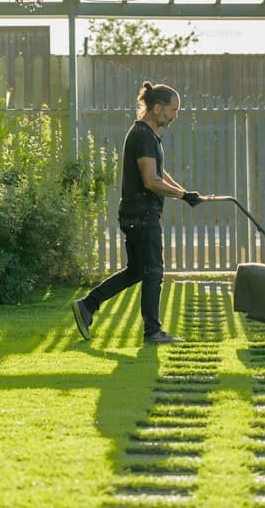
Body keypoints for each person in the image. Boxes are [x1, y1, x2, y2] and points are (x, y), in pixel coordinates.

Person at [72, 81, 203, 343]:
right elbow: (150, 181)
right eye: (173, 110)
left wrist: (185, 193)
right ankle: (152, 331)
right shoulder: (143, 135)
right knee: (153, 271)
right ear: (157, 108)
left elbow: (159, 173)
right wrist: (182, 195)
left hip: (135, 214)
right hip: (142, 215)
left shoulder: (148, 135)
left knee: (136, 271)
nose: (176, 115)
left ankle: (88, 305)